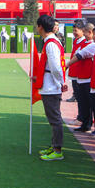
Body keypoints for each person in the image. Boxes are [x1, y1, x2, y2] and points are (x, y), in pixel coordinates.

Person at [34, 15, 66, 161]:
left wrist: (60, 82)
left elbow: (56, 67)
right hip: (50, 85)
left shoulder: (51, 43)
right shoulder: (50, 42)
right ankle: (54, 146)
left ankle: (57, 150)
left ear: (40, 26)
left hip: (51, 86)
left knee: (55, 118)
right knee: (52, 118)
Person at [66, 23, 95, 132]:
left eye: (85, 32)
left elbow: (80, 55)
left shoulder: (92, 44)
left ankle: (88, 124)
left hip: (88, 77)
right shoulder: (85, 42)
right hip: (80, 76)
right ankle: (84, 123)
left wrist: (67, 65)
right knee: (83, 102)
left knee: (88, 103)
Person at [67, 20, 86, 112]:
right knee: (78, 97)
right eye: (73, 30)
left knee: (81, 98)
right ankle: (80, 116)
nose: (74, 33)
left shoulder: (85, 42)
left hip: (79, 73)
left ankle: (81, 117)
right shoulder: (76, 41)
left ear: (83, 30)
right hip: (74, 72)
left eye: (76, 30)